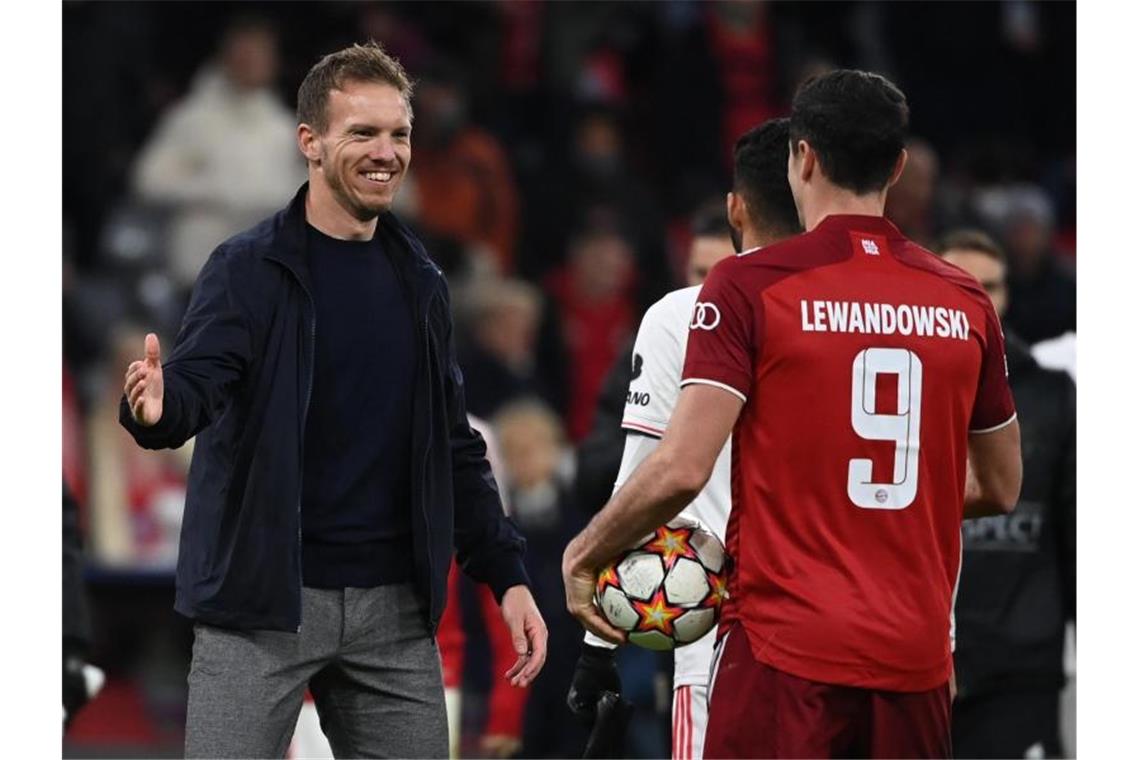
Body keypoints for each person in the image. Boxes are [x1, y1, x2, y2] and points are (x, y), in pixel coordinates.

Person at [562, 69, 1022, 759]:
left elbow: (684, 467)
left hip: (786, 650)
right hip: (918, 658)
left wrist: (584, 554)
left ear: (800, 156)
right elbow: (999, 486)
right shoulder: (964, 300)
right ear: (897, 165)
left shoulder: (748, 285)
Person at [120, 42, 547, 759]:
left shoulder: (422, 281)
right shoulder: (247, 269)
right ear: (310, 144)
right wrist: (156, 409)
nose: (386, 153)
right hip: (260, 605)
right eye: (363, 133)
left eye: (399, 134)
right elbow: (197, 385)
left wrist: (506, 575)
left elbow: (451, 444)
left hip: (393, 612)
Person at [566, 119, 802, 760]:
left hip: (732, 636)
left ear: (735, 207)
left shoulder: (686, 313)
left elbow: (648, 479)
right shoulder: (878, 314)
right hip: (863, 637)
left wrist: (597, 644)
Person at [936, 230, 1076, 759]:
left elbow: (1076, 533)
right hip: (916, 660)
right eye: (960, 285)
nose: (977, 302)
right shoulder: (889, 389)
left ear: (1008, 294)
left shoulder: (1053, 394)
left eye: (988, 287)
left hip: (1021, 668)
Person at [131, 15, 306, 292]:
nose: (252, 60)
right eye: (245, 50)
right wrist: (216, 188)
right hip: (199, 273)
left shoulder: (283, 127)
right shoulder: (192, 118)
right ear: (228, 55)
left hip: (264, 276)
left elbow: (298, 193)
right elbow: (148, 179)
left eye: (261, 52)